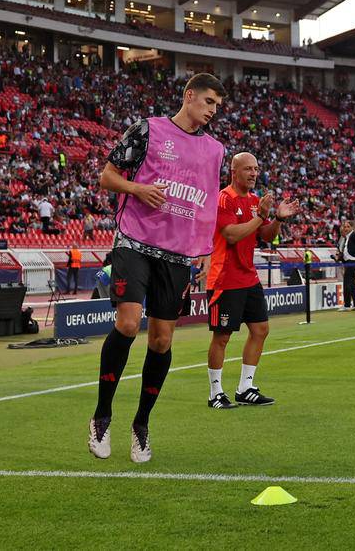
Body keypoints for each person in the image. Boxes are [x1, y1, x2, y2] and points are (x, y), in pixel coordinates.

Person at [87, 73, 227, 464]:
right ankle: (101, 417)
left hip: (180, 254)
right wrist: (136, 189)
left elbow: (206, 205)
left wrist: (204, 250)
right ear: (189, 96)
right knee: (129, 324)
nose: (213, 111)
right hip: (134, 240)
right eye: (209, 102)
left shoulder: (216, 151)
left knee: (162, 341)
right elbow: (107, 176)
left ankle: (141, 425)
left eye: (217, 106)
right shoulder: (148, 130)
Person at [204, 153, 299, 408]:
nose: (254, 173)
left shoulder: (256, 202)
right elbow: (231, 235)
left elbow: (264, 235)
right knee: (222, 336)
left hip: (248, 276)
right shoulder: (223, 198)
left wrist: (277, 218)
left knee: (260, 329)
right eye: (248, 169)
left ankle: (245, 387)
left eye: (256, 169)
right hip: (225, 278)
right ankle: (215, 393)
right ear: (234, 171)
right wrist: (260, 216)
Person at [338, 221, 355, 310]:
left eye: (348, 226)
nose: (346, 228)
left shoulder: (354, 235)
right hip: (349, 262)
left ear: (352, 227)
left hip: (353, 261)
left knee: (347, 283)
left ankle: (347, 305)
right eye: (345, 227)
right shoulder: (348, 237)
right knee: (352, 283)